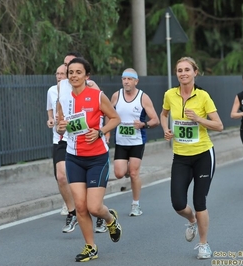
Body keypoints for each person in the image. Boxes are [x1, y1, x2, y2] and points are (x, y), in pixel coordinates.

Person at [56, 57, 122, 262]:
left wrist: (100, 132)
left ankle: (110, 219)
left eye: (78, 72)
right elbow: (60, 125)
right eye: (71, 72)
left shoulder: (97, 95)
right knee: (81, 207)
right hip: (74, 157)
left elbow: (116, 118)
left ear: (87, 75)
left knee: (94, 207)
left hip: (96, 158)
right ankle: (90, 247)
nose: (74, 76)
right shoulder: (63, 98)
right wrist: (60, 127)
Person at [161, 57, 223, 259]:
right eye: (179, 70)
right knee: (178, 203)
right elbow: (163, 114)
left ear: (195, 72)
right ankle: (192, 221)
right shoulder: (170, 94)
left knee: (199, 201)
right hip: (180, 156)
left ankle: (203, 244)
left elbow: (219, 125)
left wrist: (198, 119)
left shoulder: (203, 96)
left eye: (187, 69)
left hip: (203, 154)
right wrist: (166, 130)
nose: (183, 73)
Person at [106, 68, 159, 217]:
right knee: (119, 173)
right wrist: (107, 132)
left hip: (137, 141)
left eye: (130, 79)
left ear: (136, 81)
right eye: (124, 79)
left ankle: (135, 205)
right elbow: (108, 114)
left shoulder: (143, 97)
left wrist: (144, 125)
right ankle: (128, 169)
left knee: (134, 173)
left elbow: (155, 120)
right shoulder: (116, 96)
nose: (126, 82)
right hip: (121, 141)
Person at [46, 64, 77, 233]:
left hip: (79, 139)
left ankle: (100, 213)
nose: (60, 76)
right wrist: (53, 121)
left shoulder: (85, 89)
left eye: (63, 73)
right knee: (61, 176)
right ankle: (72, 211)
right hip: (61, 138)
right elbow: (52, 114)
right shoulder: (53, 91)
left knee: (82, 181)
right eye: (57, 73)